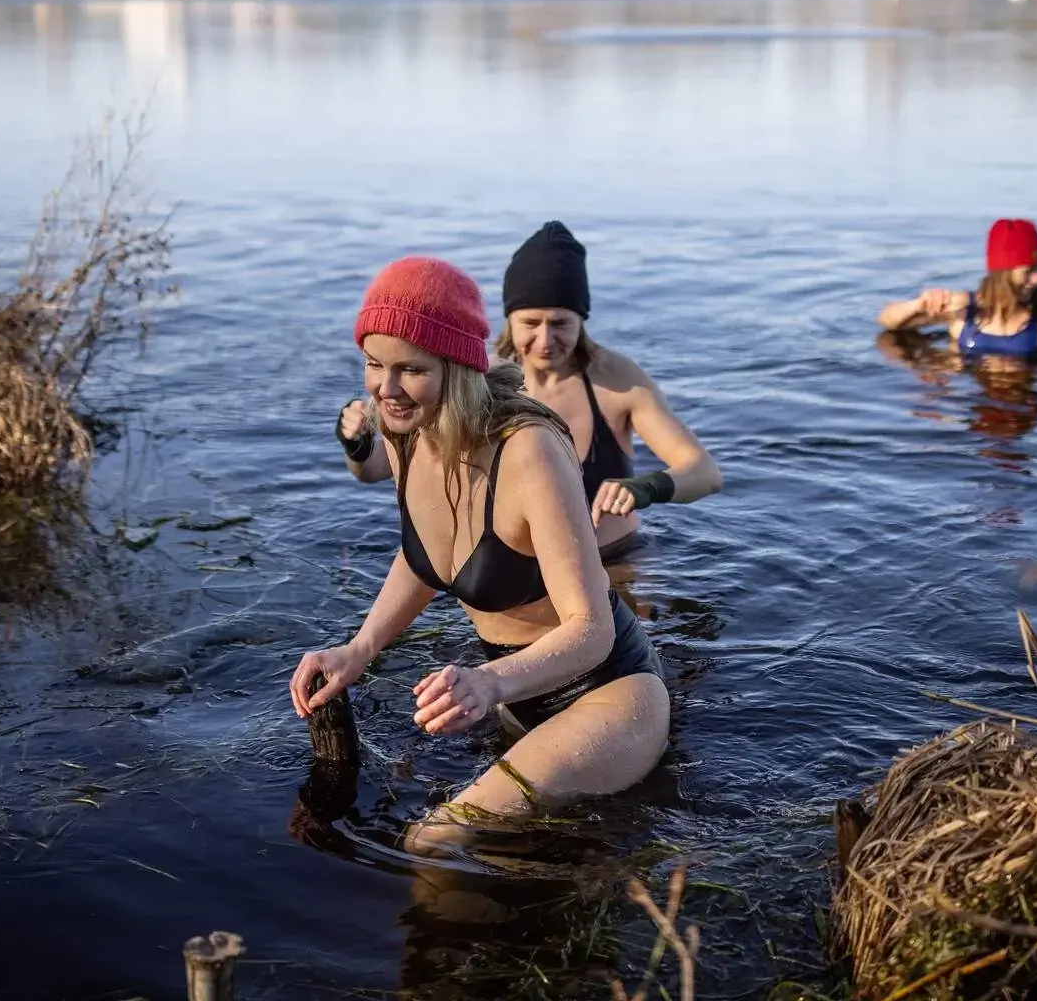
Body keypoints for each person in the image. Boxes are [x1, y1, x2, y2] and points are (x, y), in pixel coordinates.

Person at [292, 256, 670, 850]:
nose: (385, 389)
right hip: (518, 697)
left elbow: (591, 629)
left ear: (456, 366)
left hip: (608, 694)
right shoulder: (404, 428)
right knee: (520, 864)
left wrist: (488, 683)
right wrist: (359, 648)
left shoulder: (529, 450)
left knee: (432, 840)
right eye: (373, 364)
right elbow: (425, 555)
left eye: (410, 369)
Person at [335, 222, 721, 558]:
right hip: (513, 578)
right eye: (531, 323)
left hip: (615, 562)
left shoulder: (617, 380)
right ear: (509, 318)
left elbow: (704, 472)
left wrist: (645, 487)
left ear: (582, 321)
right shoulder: (475, 381)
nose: (545, 340)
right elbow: (377, 470)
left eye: (561, 324)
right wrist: (357, 442)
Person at [877, 218, 1037, 358]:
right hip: (976, 405)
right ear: (1003, 271)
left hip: (1028, 410)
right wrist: (918, 305)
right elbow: (887, 321)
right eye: (1029, 271)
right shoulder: (964, 308)